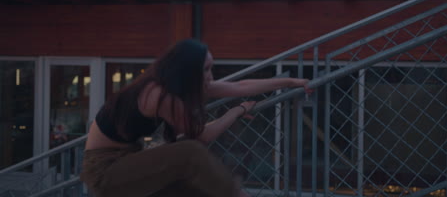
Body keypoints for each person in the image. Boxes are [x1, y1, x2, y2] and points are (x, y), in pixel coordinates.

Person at [80, 39, 312, 197]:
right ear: (187, 70)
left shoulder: (174, 86)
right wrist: (237, 111)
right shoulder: (160, 94)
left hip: (127, 160)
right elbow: (203, 136)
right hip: (106, 172)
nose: (210, 76)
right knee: (190, 153)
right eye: (206, 69)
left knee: (193, 184)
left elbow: (241, 86)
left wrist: (290, 82)